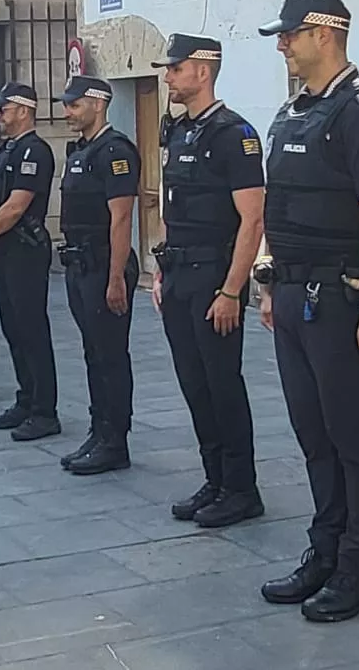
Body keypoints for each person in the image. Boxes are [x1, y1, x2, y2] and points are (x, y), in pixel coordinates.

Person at [250, 0, 359, 623]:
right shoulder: (293, 113)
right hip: (292, 295)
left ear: (325, 33)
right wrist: (268, 280)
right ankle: (327, 550)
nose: (282, 44)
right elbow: (279, 206)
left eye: (290, 34)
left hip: (342, 300)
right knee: (314, 435)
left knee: (354, 436)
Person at [151, 33, 267, 526]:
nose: (169, 78)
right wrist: (159, 266)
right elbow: (169, 206)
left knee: (222, 385)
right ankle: (215, 478)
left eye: (176, 69)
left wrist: (232, 290)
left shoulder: (232, 134)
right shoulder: (179, 133)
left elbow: (253, 220)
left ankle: (241, 488)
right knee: (194, 384)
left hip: (213, 279)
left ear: (201, 70)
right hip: (178, 275)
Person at [51, 75, 140, 475]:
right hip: (79, 265)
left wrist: (116, 278)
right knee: (92, 354)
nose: (68, 112)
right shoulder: (81, 151)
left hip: (104, 264)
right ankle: (99, 431)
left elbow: (121, 219)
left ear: (98, 103)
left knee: (109, 356)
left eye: (74, 105)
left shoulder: (115, 150)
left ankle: (115, 440)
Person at [0, 81, 61, 441]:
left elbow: (15, 207)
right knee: (14, 329)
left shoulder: (34, 152)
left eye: (3, 109)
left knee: (31, 331)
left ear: (24, 111)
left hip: (24, 251)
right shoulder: (3, 152)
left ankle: (44, 411)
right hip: (1, 252)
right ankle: (26, 401)